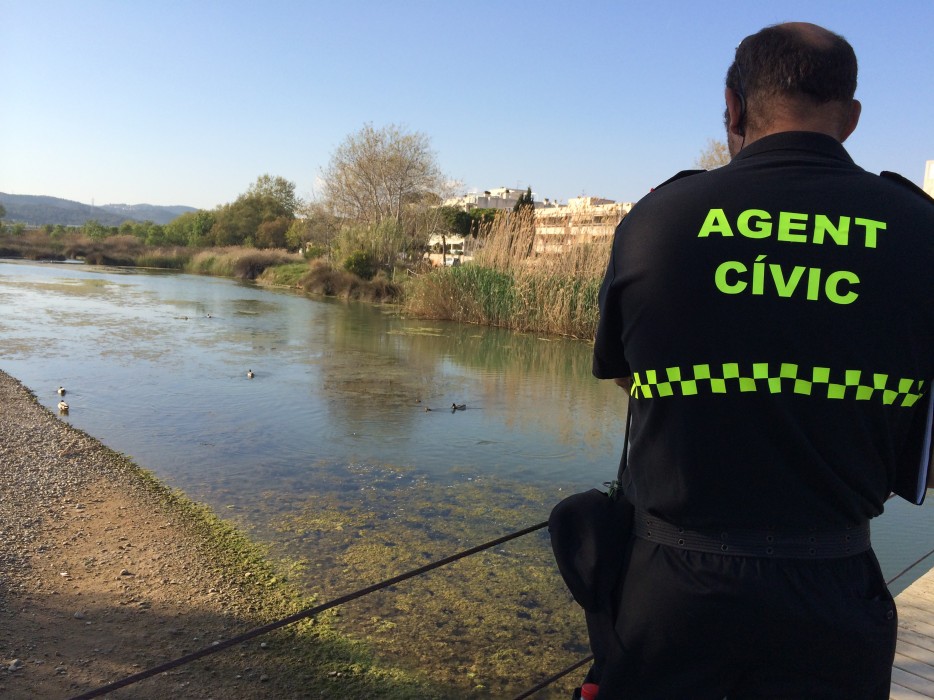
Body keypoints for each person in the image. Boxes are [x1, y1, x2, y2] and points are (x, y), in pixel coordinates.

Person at [591, 21, 934, 699]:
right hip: (834, 593)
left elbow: (630, 378)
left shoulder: (661, 218)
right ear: (853, 117)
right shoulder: (919, 230)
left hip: (672, 593)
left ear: (734, 105)